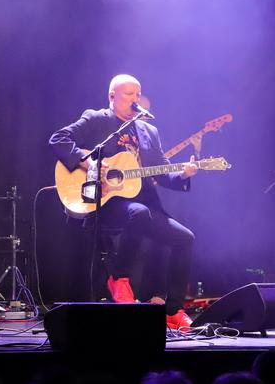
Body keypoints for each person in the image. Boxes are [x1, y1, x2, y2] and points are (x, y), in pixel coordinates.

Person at [49, 74, 198, 329]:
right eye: (129, 94)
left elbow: (161, 173)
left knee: (185, 238)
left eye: (138, 94)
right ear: (112, 96)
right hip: (107, 202)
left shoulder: (149, 131)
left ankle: (173, 310)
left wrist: (183, 174)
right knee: (137, 213)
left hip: (144, 204)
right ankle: (119, 278)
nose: (135, 99)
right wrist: (89, 164)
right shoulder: (98, 119)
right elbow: (58, 139)